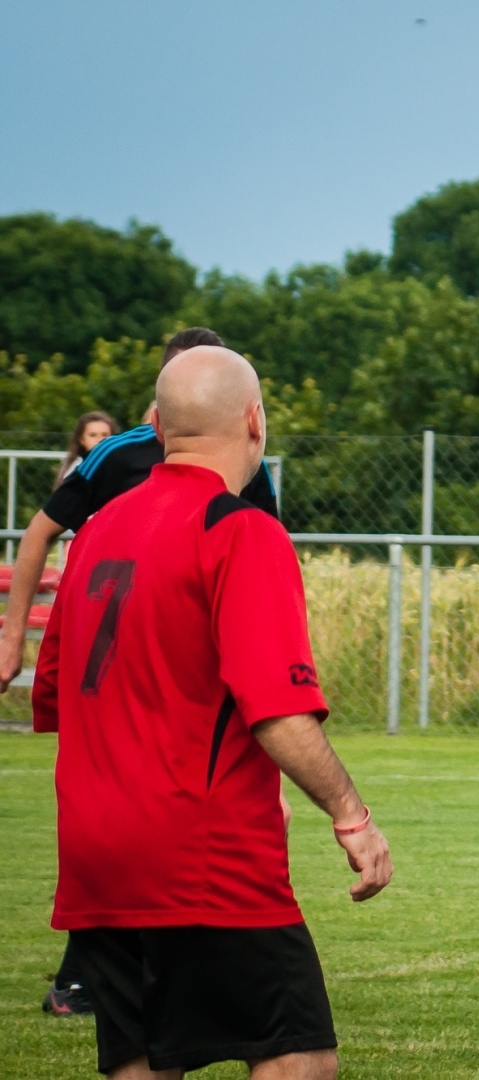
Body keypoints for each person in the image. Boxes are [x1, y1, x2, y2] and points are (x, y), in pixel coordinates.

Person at [32, 345, 392, 1079]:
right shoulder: (239, 528)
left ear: (157, 426)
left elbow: (57, 690)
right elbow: (280, 712)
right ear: (255, 421)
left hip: (95, 850)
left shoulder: (98, 530)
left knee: (142, 1061)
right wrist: (351, 815)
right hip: (201, 851)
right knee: (300, 1054)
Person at [4, 328, 279, 1019]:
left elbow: (261, 560)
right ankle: (93, 975)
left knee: (140, 813)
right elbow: (40, 531)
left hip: (175, 669)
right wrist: (13, 638)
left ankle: (127, 979)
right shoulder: (120, 457)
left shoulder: (249, 475)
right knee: (140, 810)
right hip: (122, 666)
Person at [54, 412, 120, 488]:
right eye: (92, 435)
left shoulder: (121, 465)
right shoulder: (77, 468)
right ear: (81, 439)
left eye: (104, 435)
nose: (99, 440)